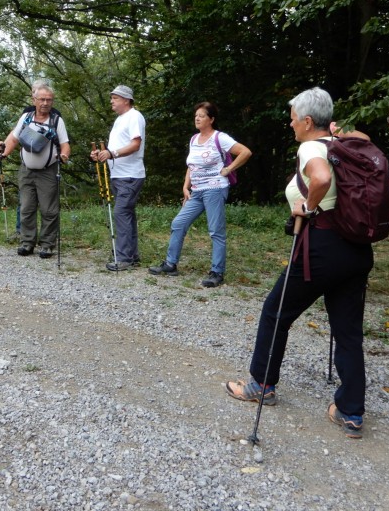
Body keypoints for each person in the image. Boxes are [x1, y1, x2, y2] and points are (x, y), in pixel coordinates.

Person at [225, 87, 373, 439]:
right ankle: (351, 412)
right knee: (348, 331)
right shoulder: (345, 146)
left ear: (308, 121)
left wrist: (308, 207)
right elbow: (365, 138)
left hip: (321, 247)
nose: (290, 124)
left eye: (293, 117)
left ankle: (261, 385)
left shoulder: (311, 147)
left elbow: (320, 178)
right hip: (356, 249)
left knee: (276, 313)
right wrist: (338, 131)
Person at [148, 102, 252, 287]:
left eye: (202, 116)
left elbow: (245, 152)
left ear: (211, 119)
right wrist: (185, 187)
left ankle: (217, 272)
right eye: (196, 115)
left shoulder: (220, 137)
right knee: (178, 223)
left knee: (215, 231)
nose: (197, 118)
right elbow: (191, 165)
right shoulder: (194, 139)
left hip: (215, 189)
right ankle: (170, 264)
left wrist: (228, 169)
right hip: (196, 192)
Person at [0, 81, 72, 258]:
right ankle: (27, 242)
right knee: (27, 207)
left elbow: (65, 144)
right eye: (42, 99)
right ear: (34, 99)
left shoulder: (56, 120)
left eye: (49, 100)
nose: (45, 103)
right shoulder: (26, 117)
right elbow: (13, 138)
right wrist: (2, 153)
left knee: (48, 210)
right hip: (26, 170)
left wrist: (64, 156)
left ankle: (47, 244)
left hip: (48, 170)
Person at [89, 85, 145, 272]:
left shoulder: (134, 116)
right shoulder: (121, 119)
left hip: (130, 174)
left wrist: (112, 154)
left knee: (121, 213)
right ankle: (132, 255)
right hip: (120, 175)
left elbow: (136, 144)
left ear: (126, 100)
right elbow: (117, 148)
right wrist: (102, 154)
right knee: (127, 214)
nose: (111, 101)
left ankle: (123, 258)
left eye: (115, 98)